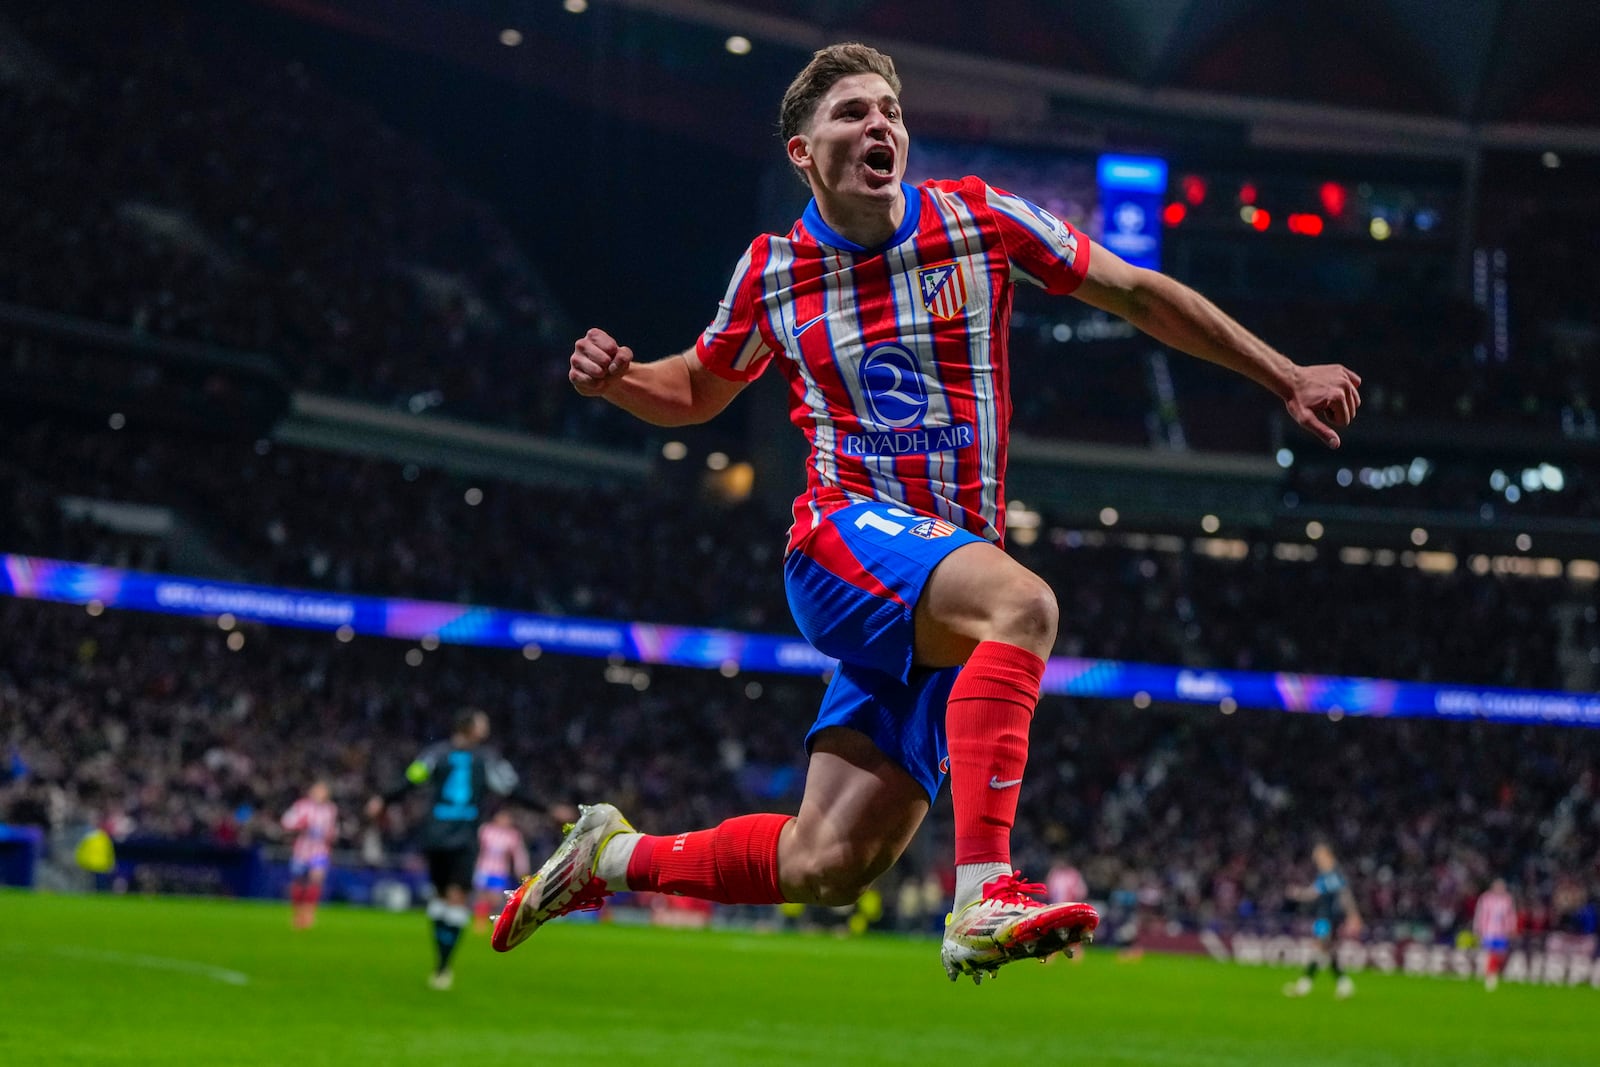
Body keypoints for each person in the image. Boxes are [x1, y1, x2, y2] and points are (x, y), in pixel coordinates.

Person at [493, 42, 1362, 984]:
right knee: (1024, 607)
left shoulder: (980, 220)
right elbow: (700, 387)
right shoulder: (774, 271)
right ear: (801, 151)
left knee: (829, 861)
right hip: (839, 542)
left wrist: (1285, 374)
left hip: (942, 583)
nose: (881, 126)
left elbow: (1138, 292)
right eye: (854, 113)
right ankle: (984, 889)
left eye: (890, 112)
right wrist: (623, 383)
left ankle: (607, 856)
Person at [368, 708, 519, 990]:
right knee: (453, 899)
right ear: (471, 728)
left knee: (443, 899)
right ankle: (443, 964)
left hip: (435, 835)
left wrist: (383, 799)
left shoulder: (435, 753)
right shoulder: (486, 759)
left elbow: (410, 778)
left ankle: (441, 964)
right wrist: (547, 808)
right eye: (482, 723)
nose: (486, 727)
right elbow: (512, 788)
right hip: (462, 837)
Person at [1284, 843, 1362, 999]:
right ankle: (1343, 984)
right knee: (1327, 951)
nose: (1316, 860)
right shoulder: (1326, 875)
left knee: (1320, 948)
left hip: (1329, 918)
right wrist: (1298, 893)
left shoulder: (1333, 875)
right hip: (1325, 917)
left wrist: (1353, 915)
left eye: (1318, 856)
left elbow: (1345, 896)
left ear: (1328, 856)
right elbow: (1313, 892)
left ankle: (1305, 985)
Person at [280, 780, 338, 929]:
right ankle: (297, 913)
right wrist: (299, 825)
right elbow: (286, 822)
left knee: (316, 879)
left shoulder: (330, 809)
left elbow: (331, 831)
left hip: (320, 851)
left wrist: (330, 836)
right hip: (301, 851)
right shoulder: (301, 806)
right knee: (298, 881)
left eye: (323, 790)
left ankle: (309, 913)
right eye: (318, 790)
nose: (320, 793)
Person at [472, 809, 531, 932]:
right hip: (483, 868)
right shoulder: (486, 830)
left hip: (500, 871)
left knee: (495, 899)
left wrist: (522, 870)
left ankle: (493, 920)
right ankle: (480, 924)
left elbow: (519, 854)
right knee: (482, 896)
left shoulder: (512, 835)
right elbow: (475, 847)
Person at [1473, 877, 1517, 991]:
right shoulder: (1486, 898)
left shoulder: (1507, 900)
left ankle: (1494, 974)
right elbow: (1480, 914)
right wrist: (1478, 929)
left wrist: (1511, 929)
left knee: (1500, 955)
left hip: (1502, 933)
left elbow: (1510, 916)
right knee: (1490, 954)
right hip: (1488, 932)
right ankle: (1490, 976)